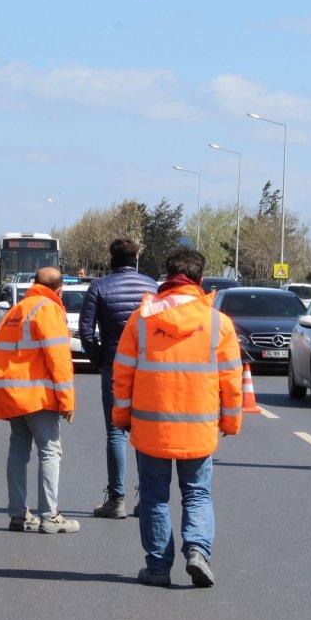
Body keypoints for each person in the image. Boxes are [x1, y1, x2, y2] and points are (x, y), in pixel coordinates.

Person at [111, 248, 243, 588]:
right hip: (198, 429)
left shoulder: (141, 320)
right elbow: (231, 379)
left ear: (166, 278)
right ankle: (197, 550)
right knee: (197, 493)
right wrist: (230, 421)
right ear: (199, 279)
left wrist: (122, 416)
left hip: (151, 427)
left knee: (154, 497)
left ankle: (158, 568)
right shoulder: (218, 323)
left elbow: (123, 375)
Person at [0, 267, 79, 534]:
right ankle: (49, 516)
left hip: (13, 396)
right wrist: (67, 399)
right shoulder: (48, 309)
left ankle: (17, 514)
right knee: (49, 452)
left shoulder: (18, 309)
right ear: (59, 290)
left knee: (18, 452)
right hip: (38, 396)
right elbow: (59, 358)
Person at [78, 238, 158, 519]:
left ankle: (116, 499)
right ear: (136, 258)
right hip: (147, 366)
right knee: (143, 431)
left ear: (111, 258)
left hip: (114, 364)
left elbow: (86, 332)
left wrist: (100, 360)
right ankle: (145, 498)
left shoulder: (99, 287)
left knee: (115, 431)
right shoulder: (152, 287)